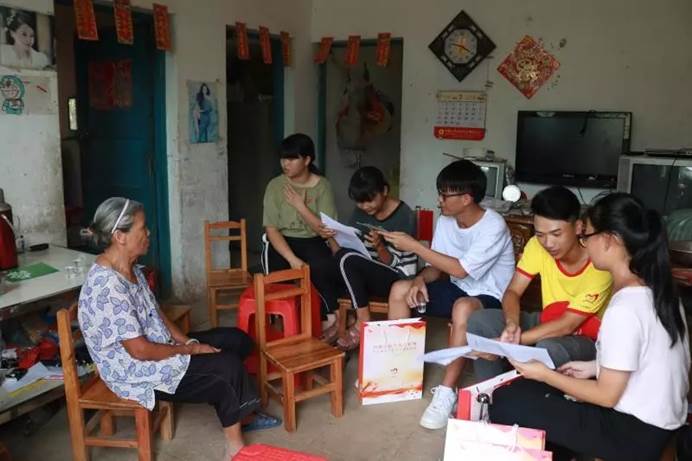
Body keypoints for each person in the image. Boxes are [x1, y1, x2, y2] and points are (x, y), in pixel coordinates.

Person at [490, 193, 690, 461]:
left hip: (631, 433)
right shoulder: (660, 291)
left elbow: (606, 396)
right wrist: (594, 367)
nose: (584, 243)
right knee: (530, 393)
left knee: (507, 402)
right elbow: (653, 360)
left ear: (610, 239)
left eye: (587, 236)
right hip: (662, 422)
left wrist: (544, 374)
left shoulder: (625, 307)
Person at [78, 197, 280, 460]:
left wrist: (188, 342)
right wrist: (192, 351)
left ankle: (236, 407)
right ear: (120, 236)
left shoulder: (131, 268)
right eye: (142, 227)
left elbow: (156, 313)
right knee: (227, 366)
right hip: (134, 369)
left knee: (236, 339)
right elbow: (140, 351)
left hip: (157, 345)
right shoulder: (108, 287)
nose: (148, 233)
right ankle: (235, 448)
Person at [380, 158, 515, 430]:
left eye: (444, 195)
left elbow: (460, 270)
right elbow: (437, 265)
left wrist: (415, 246)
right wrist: (419, 279)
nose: (439, 200)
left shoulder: (494, 225)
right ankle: (397, 374)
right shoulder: (446, 220)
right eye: (439, 193)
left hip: (490, 297)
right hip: (458, 288)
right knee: (400, 289)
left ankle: (446, 393)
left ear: (466, 198)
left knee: (463, 307)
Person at [467, 186, 613, 382]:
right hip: (547, 320)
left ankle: (529, 397)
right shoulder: (537, 246)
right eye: (540, 234)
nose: (548, 243)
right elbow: (513, 291)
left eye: (556, 234)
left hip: (586, 337)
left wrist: (507, 343)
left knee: (549, 347)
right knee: (481, 321)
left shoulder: (599, 263)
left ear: (578, 227)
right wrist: (512, 324)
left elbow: (567, 325)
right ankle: (489, 391)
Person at [262, 133, 344, 342]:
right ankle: (281, 326)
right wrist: (292, 259)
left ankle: (329, 320)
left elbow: (324, 231)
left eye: (292, 158)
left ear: (307, 160)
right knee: (280, 275)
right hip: (281, 241)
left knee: (321, 267)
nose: (285, 163)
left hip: (312, 239)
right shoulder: (275, 186)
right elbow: (271, 229)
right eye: (283, 158)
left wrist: (301, 206)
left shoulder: (322, 186)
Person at [332, 166, 417, 350]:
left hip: (396, 277)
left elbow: (398, 264)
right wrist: (332, 236)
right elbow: (351, 244)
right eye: (360, 202)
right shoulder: (360, 212)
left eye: (369, 200)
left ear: (384, 190)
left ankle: (362, 321)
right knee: (332, 260)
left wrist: (379, 247)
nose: (365, 206)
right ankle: (340, 319)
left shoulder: (404, 216)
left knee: (347, 259)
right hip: (367, 270)